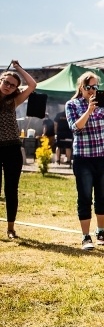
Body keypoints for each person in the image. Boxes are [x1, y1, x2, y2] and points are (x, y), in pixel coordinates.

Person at [65, 71, 104, 250]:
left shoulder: (103, 103)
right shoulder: (72, 104)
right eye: (88, 87)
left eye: (95, 87)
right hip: (83, 157)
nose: (92, 90)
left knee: (102, 195)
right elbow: (75, 128)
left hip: (103, 156)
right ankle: (85, 237)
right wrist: (89, 110)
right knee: (84, 196)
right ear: (81, 87)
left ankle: (100, 232)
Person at [0, 61, 38, 239]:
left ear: (16, 89)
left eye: (12, 85)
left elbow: (32, 85)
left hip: (12, 148)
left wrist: (18, 69)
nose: (8, 87)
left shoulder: (13, 101)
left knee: (11, 189)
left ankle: (11, 228)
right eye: (6, 82)